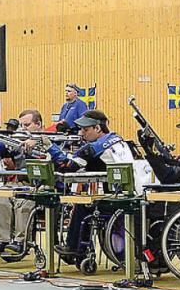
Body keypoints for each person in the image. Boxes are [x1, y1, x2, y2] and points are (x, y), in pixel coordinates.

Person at [50, 110, 136, 258]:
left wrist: (49, 147)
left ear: (97, 128)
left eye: (85, 129)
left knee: (83, 205)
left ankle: (75, 248)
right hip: (129, 194)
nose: (82, 133)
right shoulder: (118, 139)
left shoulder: (94, 147)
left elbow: (67, 167)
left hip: (115, 200)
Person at [0, 109, 45, 256]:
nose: (23, 129)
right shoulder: (18, 141)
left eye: (27, 125)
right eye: (22, 126)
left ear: (38, 125)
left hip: (42, 184)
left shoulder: (49, 139)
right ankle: (2, 240)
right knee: (2, 196)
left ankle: (21, 241)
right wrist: (0, 144)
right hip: (20, 182)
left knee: (23, 200)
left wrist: (37, 142)